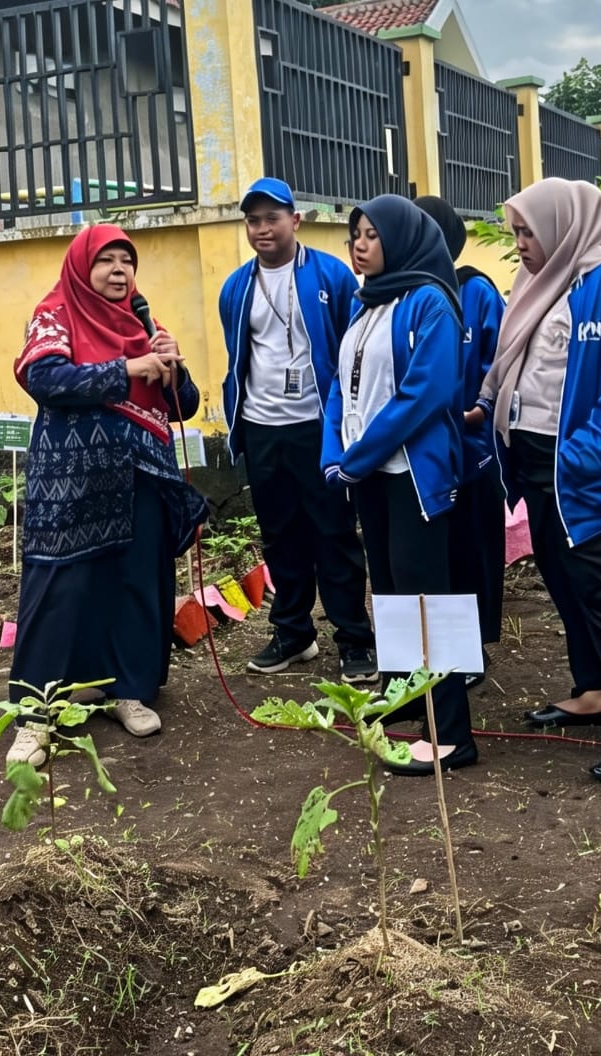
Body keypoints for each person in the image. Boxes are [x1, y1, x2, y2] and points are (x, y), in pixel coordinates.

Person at [478, 179, 601, 782]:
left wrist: (591, 450)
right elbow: (520, 369)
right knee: (567, 584)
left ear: (564, 226)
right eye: (515, 232)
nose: (520, 245)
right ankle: (596, 690)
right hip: (538, 464)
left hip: (585, 471)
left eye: (528, 231)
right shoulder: (539, 284)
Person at [6, 224, 207, 764]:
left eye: (127, 262)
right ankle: (36, 712)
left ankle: (128, 689)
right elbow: (45, 378)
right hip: (71, 483)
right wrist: (127, 368)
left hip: (141, 476)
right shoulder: (56, 313)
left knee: (135, 581)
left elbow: (182, 404)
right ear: (82, 267)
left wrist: (173, 364)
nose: (119, 272)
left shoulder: (145, 322)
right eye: (107, 262)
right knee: (60, 586)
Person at [322, 195, 476, 775]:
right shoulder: (366, 308)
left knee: (427, 600)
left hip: (412, 476)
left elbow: (425, 396)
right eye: (354, 234)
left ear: (404, 238)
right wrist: (334, 456)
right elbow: (341, 390)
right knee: (390, 597)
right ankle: (414, 712)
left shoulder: (431, 304)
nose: (358, 244)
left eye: (370, 234)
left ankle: (454, 735)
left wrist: (359, 457)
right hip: (371, 476)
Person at [218, 177, 377, 683]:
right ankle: (293, 632)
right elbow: (238, 355)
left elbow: (351, 354)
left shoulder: (331, 276)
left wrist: (347, 426)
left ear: (295, 220)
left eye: (271, 218)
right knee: (280, 536)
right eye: (253, 220)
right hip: (262, 427)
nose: (262, 229)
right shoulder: (237, 287)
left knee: (333, 534)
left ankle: (354, 637)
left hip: (318, 427)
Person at [413, 195, 506, 686]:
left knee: (474, 551)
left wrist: (481, 409)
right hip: (423, 458)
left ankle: (473, 651)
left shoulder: (476, 292)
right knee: (438, 555)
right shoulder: (400, 293)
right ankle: (438, 649)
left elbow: (501, 359)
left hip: (470, 451)